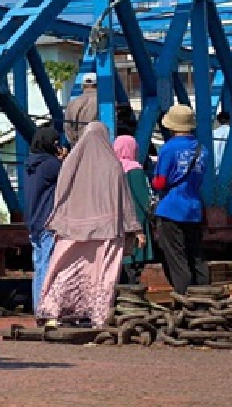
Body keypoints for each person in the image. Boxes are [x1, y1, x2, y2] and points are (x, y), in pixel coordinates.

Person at [37, 122, 144, 326]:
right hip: (107, 230)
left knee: (65, 270)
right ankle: (99, 316)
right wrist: (135, 228)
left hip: (73, 228)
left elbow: (60, 193)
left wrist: (58, 219)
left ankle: (53, 312)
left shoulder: (72, 162)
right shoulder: (113, 165)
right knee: (104, 274)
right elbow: (125, 199)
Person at [151, 104, 209, 292]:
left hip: (171, 207)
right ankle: (205, 297)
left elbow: (159, 182)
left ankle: (185, 299)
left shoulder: (169, 149)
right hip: (194, 207)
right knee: (196, 256)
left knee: (176, 258)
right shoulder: (202, 149)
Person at [22, 125, 65, 313]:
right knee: (49, 265)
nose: (58, 145)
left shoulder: (31, 164)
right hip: (48, 220)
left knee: (39, 265)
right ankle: (47, 307)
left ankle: (38, 307)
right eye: (55, 142)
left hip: (34, 221)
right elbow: (69, 174)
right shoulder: (51, 165)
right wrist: (64, 158)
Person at [114, 134, 153, 285]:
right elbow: (143, 197)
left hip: (118, 219)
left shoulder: (112, 167)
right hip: (136, 219)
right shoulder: (135, 169)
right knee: (134, 259)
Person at [64, 72, 98, 145]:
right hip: (97, 144)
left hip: (78, 145)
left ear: (82, 85)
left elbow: (67, 128)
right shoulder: (104, 102)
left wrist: (75, 144)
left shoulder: (72, 103)